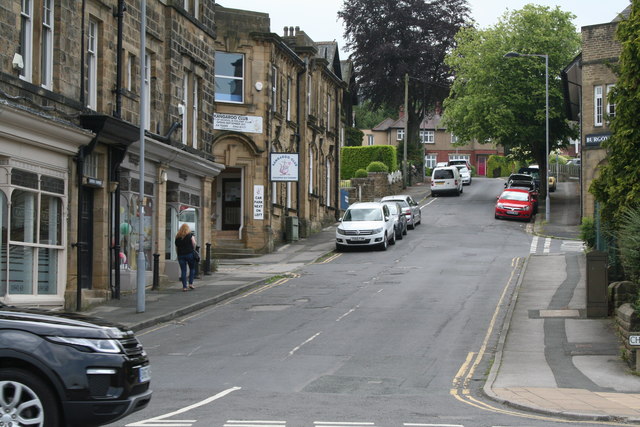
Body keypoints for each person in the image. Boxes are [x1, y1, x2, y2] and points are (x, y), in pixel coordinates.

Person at [175, 223, 197, 291]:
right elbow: (194, 243)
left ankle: (184, 287)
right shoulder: (190, 235)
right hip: (189, 254)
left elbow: (176, 247)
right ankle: (190, 283)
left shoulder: (177, 237)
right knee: (192, 269)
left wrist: (178, 254)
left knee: (183, 271)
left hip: (181, 255)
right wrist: (192, 249)